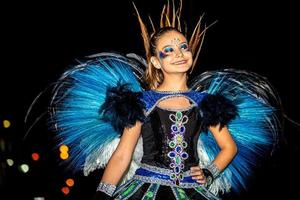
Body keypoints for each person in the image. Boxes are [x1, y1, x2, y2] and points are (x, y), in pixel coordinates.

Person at [46, 0, 281, 199]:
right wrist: (103, 194)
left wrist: (210, 172)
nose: (179, 53)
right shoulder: (141, 101)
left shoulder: (207, 102)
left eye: (183, 47)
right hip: (145, 189)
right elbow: (122, 155)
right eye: (168, 50)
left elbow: (229, 147)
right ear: (156, 62)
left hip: (192, 190)